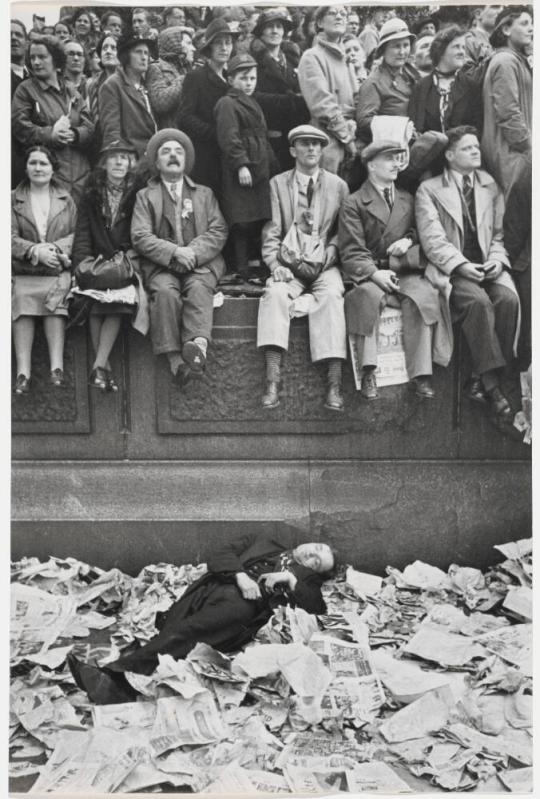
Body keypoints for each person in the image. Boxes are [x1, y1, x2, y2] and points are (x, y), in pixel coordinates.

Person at [67, 535, 337, 703]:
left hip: (242, 608)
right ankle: (123, 689)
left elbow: (316, 608)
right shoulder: (265, 540)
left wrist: (290, 579)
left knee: (187, 634)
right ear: (309, 541)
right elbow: (220, 555)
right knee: (176, 638)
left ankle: (114, 677)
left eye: (316, 562)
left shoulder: (305, 581)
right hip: (208, 591)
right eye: (317, 549)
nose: (312, 556)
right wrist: (240, 576)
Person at [416, 127, 520, 422]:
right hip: (452, 269)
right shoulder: (430, 189)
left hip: (486, 265)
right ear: (449, 156)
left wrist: (497, 261)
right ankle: (494, 388)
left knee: (508, 300)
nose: (476, 151)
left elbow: (500, 235)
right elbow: (432, 240)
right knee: (477, 303)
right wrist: (461, 265)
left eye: (477, 146)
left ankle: (478, 377)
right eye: (467, 148)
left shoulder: (490, 185)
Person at [339, 142, 442, 401]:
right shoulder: (354, 202)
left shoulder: (408, 197)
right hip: (371, 271)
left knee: (422, 295)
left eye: (398, 159)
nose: (397, 164)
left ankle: (421, 373)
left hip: (403, 269)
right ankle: (369, 370)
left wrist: (409, 239)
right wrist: (374, 274)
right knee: (367, 299)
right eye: (389, 159)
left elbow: (421, 232)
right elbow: (352, 250)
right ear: (371, 165)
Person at [257, 125, 349, 411]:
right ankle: (272, 380)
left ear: (323, 151)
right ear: (292, 150)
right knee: (274, 294)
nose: (311, 149)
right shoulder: (278, 184)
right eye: (305, 144)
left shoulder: (338, 185)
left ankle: (333, 384)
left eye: (317, 145)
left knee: (333, 296)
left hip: (324, 264)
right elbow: (271, 231)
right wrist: (274, 265)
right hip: (290, 263)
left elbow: (343, 231)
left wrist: (332, 253)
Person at [130, 129, 228, 387]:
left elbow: (218, 230)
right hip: (163, 267)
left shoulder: (204, 194)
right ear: (157, 162)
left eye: (178, 151)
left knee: (198, 289)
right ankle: (176, 361)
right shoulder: (145, 196)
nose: (173, 156)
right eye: (166, 152)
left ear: (186, 160)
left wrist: (193, 253)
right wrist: (174, 252)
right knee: (164, 293)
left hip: (200, 264)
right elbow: (140, 236)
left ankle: (198, 348)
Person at [71, 140, 149, 392]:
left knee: (118, 302)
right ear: (104, 163)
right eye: (113, 157)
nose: (118, 162)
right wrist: (82, 261)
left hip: (126, 260)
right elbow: (82, 232)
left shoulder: (139, 191)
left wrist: (127, 257)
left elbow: (141, 231)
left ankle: (99, 366)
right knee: (93, 301)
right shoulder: (91, 192)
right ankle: (102, 369)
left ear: (131, 163)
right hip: (94, 259)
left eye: (124, 158)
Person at [12, 146, 76, 395]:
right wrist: (34, 251)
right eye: (33, 163)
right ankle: (23, 372)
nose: (38, 168)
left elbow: (75, 233)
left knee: (56, 298)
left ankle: (56, 368)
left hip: (56, 268)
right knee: (20, 298)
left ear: (52, 168)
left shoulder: (65, 199)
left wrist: (55, 249)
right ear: (26, 167)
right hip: (24, 268)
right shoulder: (11, 198)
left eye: (43, 164)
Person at [215, 53, 276, 280]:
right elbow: (229, 138)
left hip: (259, 167)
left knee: (259, 218)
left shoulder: (254, 103)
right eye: (243, 78)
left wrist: (273, 167)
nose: (248, 83)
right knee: (241, 221)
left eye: (252, 78)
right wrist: (241, 165)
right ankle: (241, 269)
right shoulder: (227, 103)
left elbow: (261, 137)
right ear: (230, 80)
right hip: (240, 171)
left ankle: (258, 267)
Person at [12, 34, 94, 202]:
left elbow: (90, 126)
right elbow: (19, 127)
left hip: (81, 176)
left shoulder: (71, 91)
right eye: (32, 57)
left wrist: (76, 134)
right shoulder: (25, 90)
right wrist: (50, 135)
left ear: (56, 59)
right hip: (49, 177)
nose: (36, 62)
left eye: (42, 57)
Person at [177, 18, 240, 197]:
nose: (224, 48)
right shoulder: (196, 78)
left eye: (228, 43)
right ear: (209, 47)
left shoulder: (233, 79)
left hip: (228, 157)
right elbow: (184, 117)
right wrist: (215, 133)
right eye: (218, 43)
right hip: (205, 157)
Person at [481, 6, 533, 199]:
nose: (532, 29)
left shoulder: (518, 60)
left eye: (533, 24)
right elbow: (508, 113)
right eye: (525, 23)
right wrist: (528, 147)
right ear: (506, 30)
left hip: (519, 155)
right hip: (512, 155)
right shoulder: (505, 61)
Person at [298, 6, 356, 176]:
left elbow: (356, 97)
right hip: (327, 139)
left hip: (351, 135)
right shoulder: (312, 56)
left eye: (343, 14)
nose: (339, 17)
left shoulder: (346, 57)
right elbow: (322, 105)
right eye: (332, 13)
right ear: (320, 23)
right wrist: (347, 137)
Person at [250, 8, 309, 171]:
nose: (275, 31)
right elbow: (252, 96)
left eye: (279, 26)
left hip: (297, 135)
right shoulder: (254, 63)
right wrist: (290, 100)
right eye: (270, 27)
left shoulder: (294, 60)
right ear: (261, 32)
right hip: (271, 137)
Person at [408, 26, 482, 139]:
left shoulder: (472, 87)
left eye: (463, 47)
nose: (462, 52)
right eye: (456, 47)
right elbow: (415, 127)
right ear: (440, 51)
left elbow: (478, 128)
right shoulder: (421, 87)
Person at [356, 18, 419, 145]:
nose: (402, 52)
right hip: (390, 145)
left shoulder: (412, 74)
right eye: (396, 46)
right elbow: (364, 121)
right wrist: (401, 128)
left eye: (406, 45)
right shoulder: (374, 82)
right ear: (383, 50)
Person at [99, 34, 158, 159]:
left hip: (153, 157)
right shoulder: (112, 85)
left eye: (146, 53)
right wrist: (121, 161)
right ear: (126, 57)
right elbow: (112, 134)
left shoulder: (148, 83)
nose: (144, 57)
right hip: (131, 160)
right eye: (138, 52)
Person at [147, 26, 194, 129]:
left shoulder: (187, 68)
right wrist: (185, 79)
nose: (193, 48)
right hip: (171, 136)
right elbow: (160, 102)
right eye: (189, 43)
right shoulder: (156, 68)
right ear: (175, 45)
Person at [87, 33, 118, 127]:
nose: (108, 51)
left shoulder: (129, 80)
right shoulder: (93, 85)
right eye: (104, 48)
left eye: (113, 48)